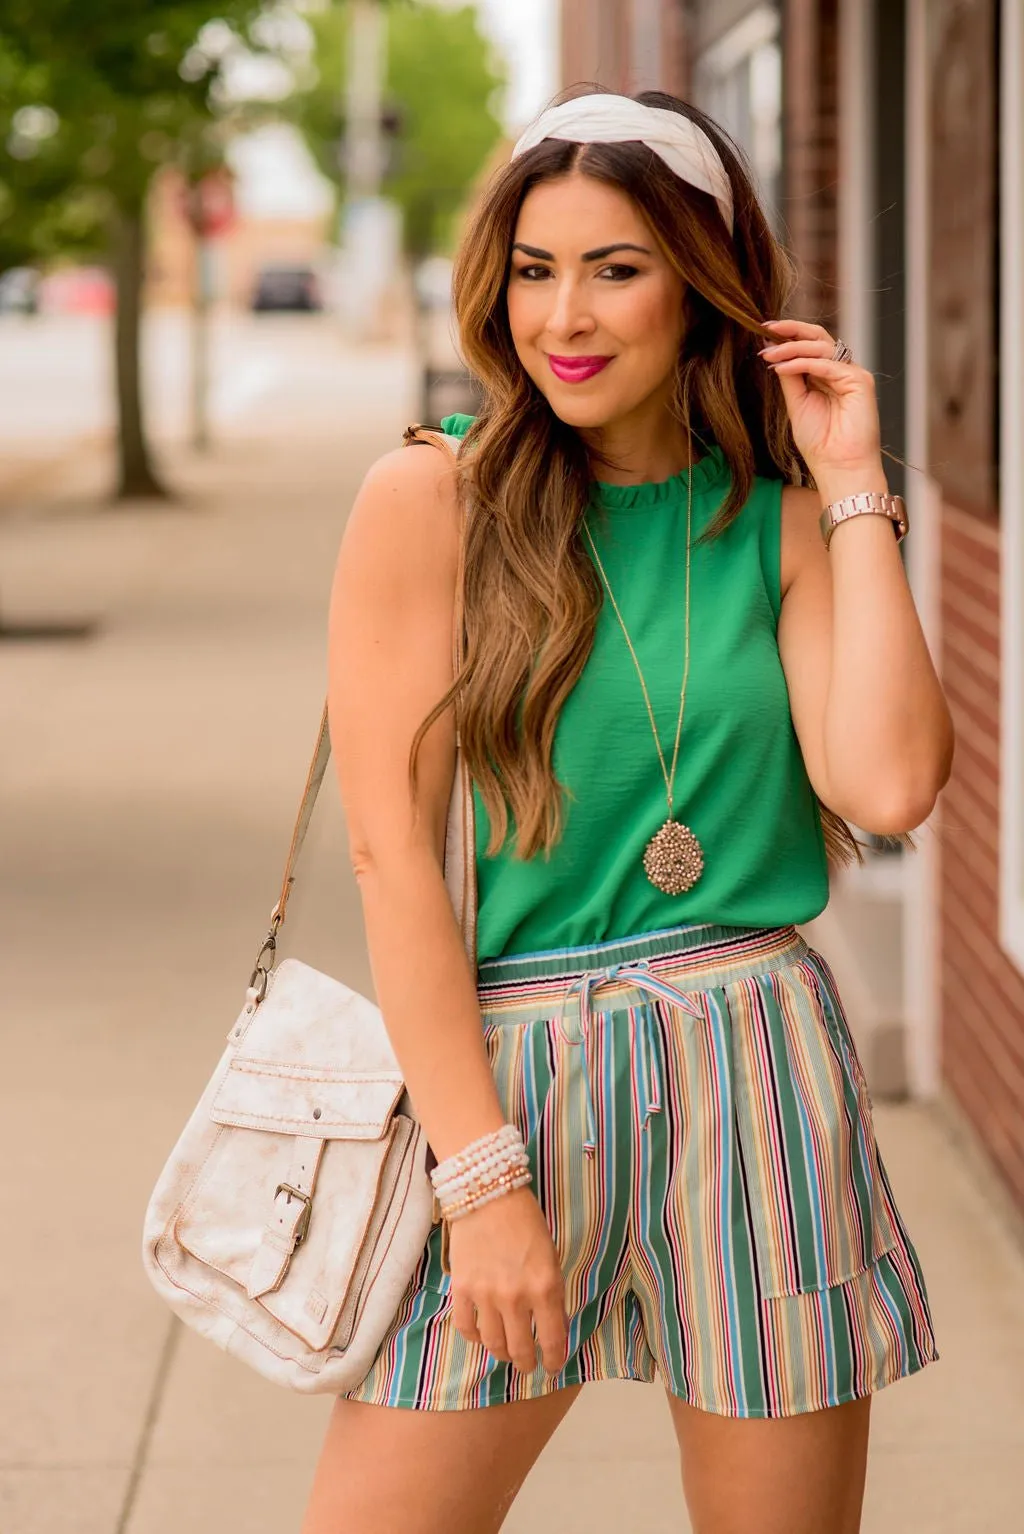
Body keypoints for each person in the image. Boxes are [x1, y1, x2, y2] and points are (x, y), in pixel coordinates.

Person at [303, 89, 951, 1534]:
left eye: (616, 266)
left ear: (701, 286)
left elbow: (892, 782)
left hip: (761, 1065)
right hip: (511, 1077)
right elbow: (390, 858)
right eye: (536, 269)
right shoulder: (433, 501)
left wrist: (854, 487)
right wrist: (480, 1183)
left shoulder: (779, 523)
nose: (565, 316)